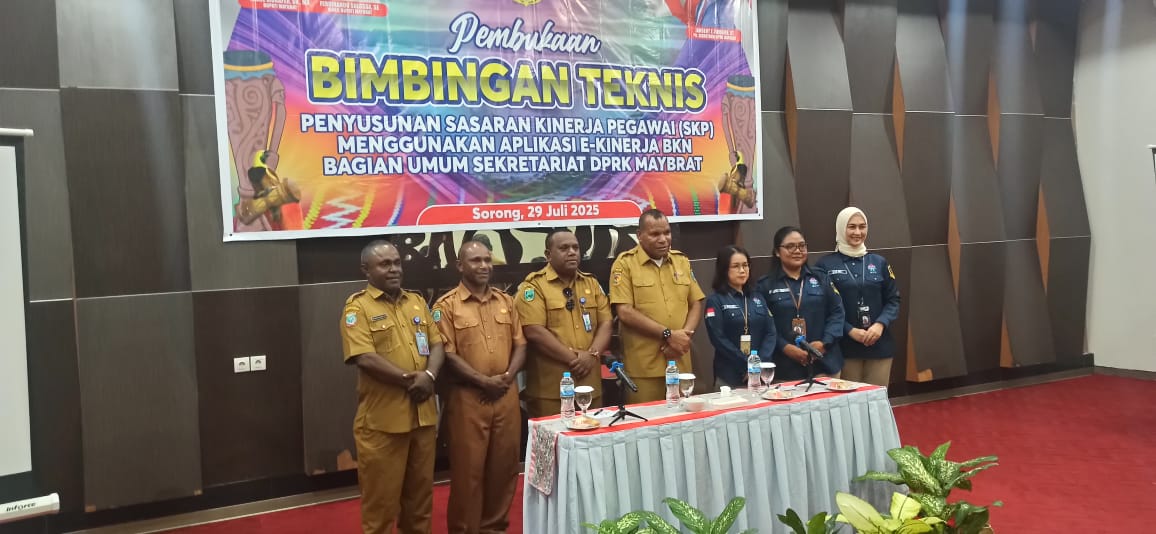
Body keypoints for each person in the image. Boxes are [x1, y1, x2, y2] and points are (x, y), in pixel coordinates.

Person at [340, 240, 444, 534]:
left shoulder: (416, 302)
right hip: (383, 425)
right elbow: (364, 357)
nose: (394, 269)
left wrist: (430, 376)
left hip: (423, 420)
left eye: (397, 262)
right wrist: (411, 380)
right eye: (385, 264)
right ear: (366, 270)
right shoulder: (357, 308)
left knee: (420, 506)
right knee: (381, 510)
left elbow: (437, 344)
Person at [432, 240, 526, 534]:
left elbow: (521, 344)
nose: (484, 266)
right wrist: (483, 381)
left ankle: (495, 528)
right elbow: (447, 354)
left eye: (487, 260)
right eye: (475, 260)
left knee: (504, 470)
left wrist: (507, 376)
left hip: (505, 395)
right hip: (468, 399)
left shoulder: (506, 301)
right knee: (468, 474)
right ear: (459, 265)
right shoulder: (446, 306)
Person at [609, 209, 706, 403]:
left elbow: (696, 302)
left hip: (679, 361)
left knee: (681, 418)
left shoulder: (681, 261)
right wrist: (668, 335)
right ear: (639, 235)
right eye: (655, 234)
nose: (663, 239)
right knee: (647, 419)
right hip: (644, 367)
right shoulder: (625, 264)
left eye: (667, 233)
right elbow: (625, 312)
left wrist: (683, 337)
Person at [516, 228, 612, 417]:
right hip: (551, 390)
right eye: (564, 248)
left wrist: (592, 355)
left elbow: (606, 323)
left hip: (589, 386)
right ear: (548, 255)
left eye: (575, 247)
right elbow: (534, 331)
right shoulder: (534, 286)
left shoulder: (591, 284)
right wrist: (576, 359)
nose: (572, 252)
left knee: (593, 433)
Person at [816, 207, 900, 386]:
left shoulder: (879, 262)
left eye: (862, 227)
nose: (858, 232)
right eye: (851, 227)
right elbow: (822, 308)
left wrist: (880, 324)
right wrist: (849, 330)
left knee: (876, 399)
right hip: (844, 348)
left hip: (879, 346)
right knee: (848, 400)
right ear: (841, 228)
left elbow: (893, 300)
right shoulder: (824, 265)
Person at [754, 226, 845, 381]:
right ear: (777, 252)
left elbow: (837, 312)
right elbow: (763, 325)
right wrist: (785, 347)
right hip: (784, 368)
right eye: (790, 246)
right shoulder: (765, 285)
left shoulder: (821, 277)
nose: (797, 251)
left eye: (802, 246)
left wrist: (824, 343)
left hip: (824, 363)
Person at [704, 245, 777, 389]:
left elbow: (771, 332)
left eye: (745, 265)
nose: (742, 270)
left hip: (759, 373)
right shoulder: (716, 300)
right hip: (729, 375)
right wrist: (747, 364)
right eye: (736, 266)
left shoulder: (757, 297)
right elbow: (718, 339)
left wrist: (758, 364)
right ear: (724, 269)